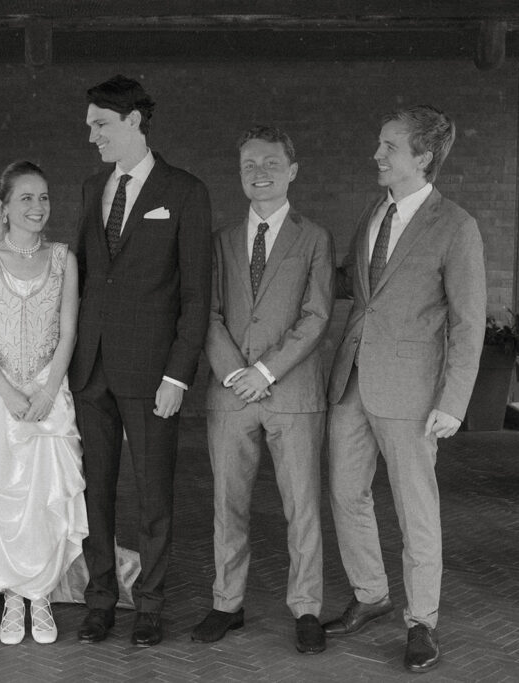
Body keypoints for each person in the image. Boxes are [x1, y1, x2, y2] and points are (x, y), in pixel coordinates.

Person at [324, 105, 486, 673]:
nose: (377, 154)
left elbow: (469, 321)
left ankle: (422, 621)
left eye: (389, 146)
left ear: (422, 157)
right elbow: (351, 283)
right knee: (346, 494)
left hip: (413, 393)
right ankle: (371, 595)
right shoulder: (374, 211)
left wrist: (453, 401)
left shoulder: (456, 226)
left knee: (416, 508)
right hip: (351, 382)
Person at [70, 74, 212, 647]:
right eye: (89, 127)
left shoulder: (184, 192)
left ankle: (149, 603)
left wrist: (179, 373)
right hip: (89, 371)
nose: (92, 137)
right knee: (93, 493)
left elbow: (198, 296)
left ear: (133, 122)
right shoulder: (90, 188)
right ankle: (100, 599)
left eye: (101, 125)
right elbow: (81, 277)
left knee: (154, 495)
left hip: (155, 374)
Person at [195, 126, 334, 654]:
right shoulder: (222, 241)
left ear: (292, 171)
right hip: (231, 395)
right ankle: (227, 603)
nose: (261, 172)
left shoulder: (314, 238)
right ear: (239, 173)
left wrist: (266, 372)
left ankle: (307, 608)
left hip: (293, 395)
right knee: (227, 504)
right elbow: (206, 313)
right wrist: (236, 373)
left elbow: (317, 314)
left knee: (302, 506)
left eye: (272, 163)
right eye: (250, 163)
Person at [0, 161, 88, 645]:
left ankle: (42, 595)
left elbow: (69, 331)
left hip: (49, 394)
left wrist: (48, 391)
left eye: (44, 197)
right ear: (4, 205)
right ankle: (12, 597)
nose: (37, 207)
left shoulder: (63, 259)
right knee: (0, 502)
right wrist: (10, 393)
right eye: (26, 198)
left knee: (46, 498)